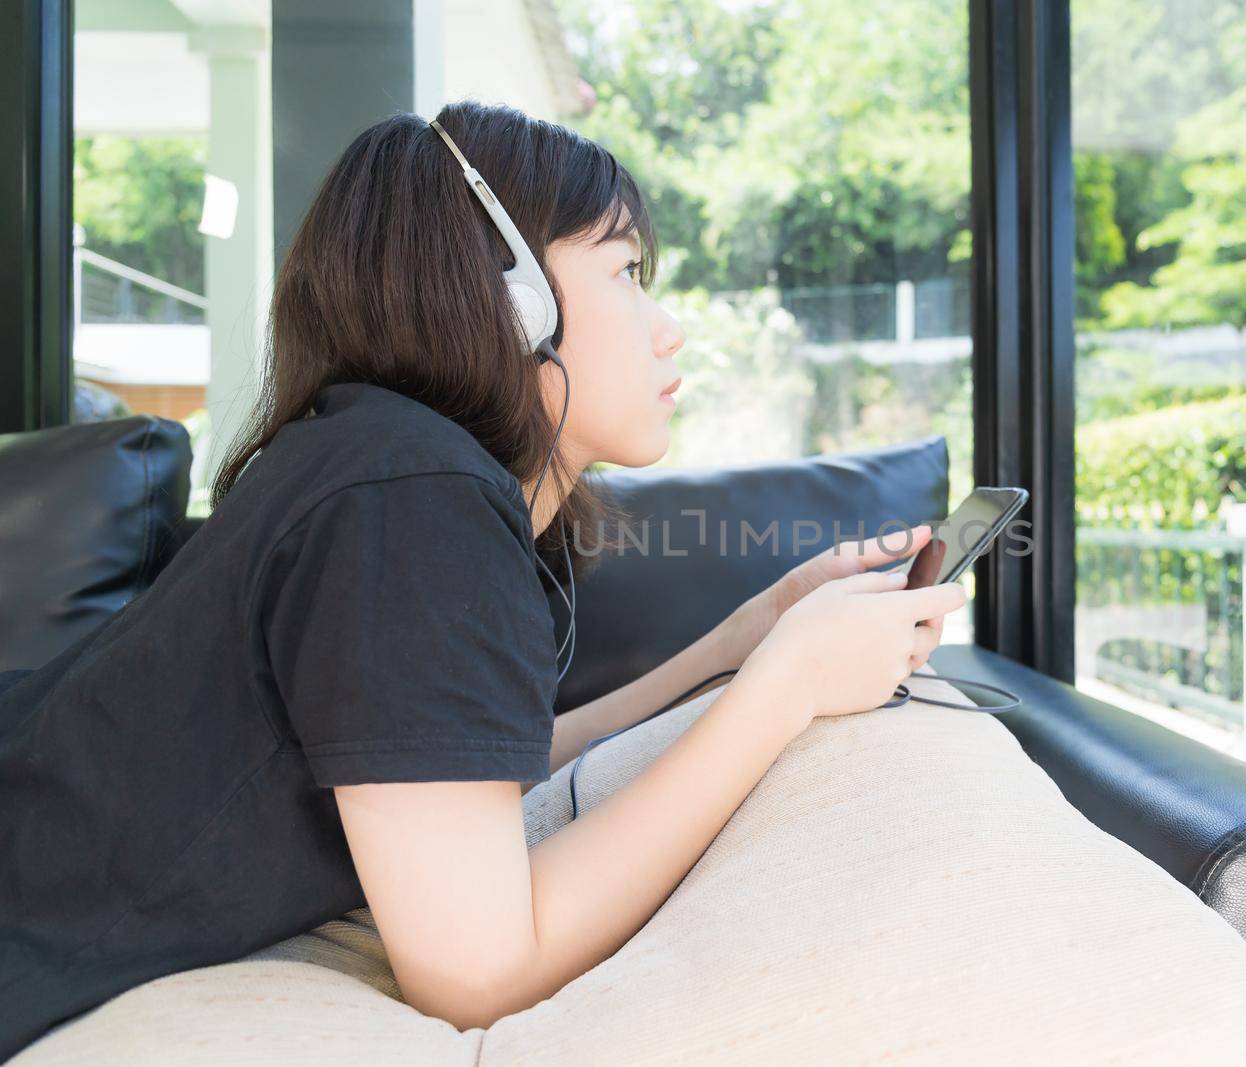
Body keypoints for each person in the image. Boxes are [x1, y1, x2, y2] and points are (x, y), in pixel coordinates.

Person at [0, 99, 966, 1059]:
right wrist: (787, 687)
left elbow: (458, 774)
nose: (667, 328)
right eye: (627, 272)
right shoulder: (410, 499)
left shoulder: (383, 464)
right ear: (510, 293)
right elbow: (481, 972)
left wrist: (735, 647)